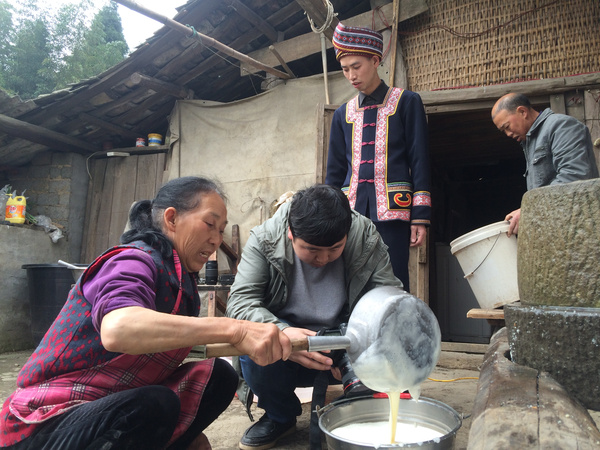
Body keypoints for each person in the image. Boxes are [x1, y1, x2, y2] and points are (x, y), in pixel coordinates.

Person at [0, 176, 292, 450]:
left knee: (219, 376)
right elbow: (119, 329)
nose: (217, 239)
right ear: (172, 218)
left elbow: (194, 346)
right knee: (154, 404)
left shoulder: (180, 279)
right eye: (209, 224)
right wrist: (235, 329)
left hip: (107, 403)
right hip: (46, 418)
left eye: (221, 229)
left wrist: (284, 338)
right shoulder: (132, 260)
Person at [226, 184, 403, 450]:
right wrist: (282, 333)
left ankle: (360, 407)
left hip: (344, 344)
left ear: (346, 234)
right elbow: (240, 303)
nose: (323, 258)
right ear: (290, 233)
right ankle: (280, 417)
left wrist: (361, 339)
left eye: (334, 248)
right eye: (312, 250)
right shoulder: (264, 239)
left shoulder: (364, 235)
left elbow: (389, 297)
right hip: (288, 350)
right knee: (255, 347)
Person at [325, 22, 431, 291]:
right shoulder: (342, 114)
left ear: (375, 60)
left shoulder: (406, 102)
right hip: (350, 214)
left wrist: (420, 217)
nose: (351, 75)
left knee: (393, 279)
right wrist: (329, 217)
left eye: (356, 66)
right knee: (349, 279)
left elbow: (419, 160)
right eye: (345, 69)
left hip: (394, 212)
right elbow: (334, 173)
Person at [492, 92, 599, 236]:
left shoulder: (561, 126)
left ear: (522, 112)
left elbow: (574, 176)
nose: (508, 134)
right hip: (559, 230)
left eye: (507, 126)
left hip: (579, 230)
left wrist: (529, 209)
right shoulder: (529, 142)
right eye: (503, 131)